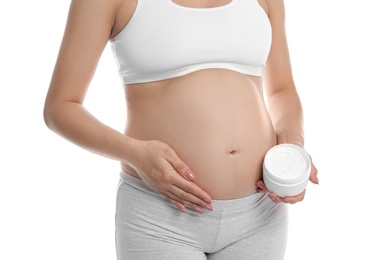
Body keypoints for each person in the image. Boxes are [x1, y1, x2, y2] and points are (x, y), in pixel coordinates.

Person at [44, 0, 319, 259]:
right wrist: (134, 153)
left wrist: (292, 150)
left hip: (260, 214)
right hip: (160, 216)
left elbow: (282, 89)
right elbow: (60, 107)